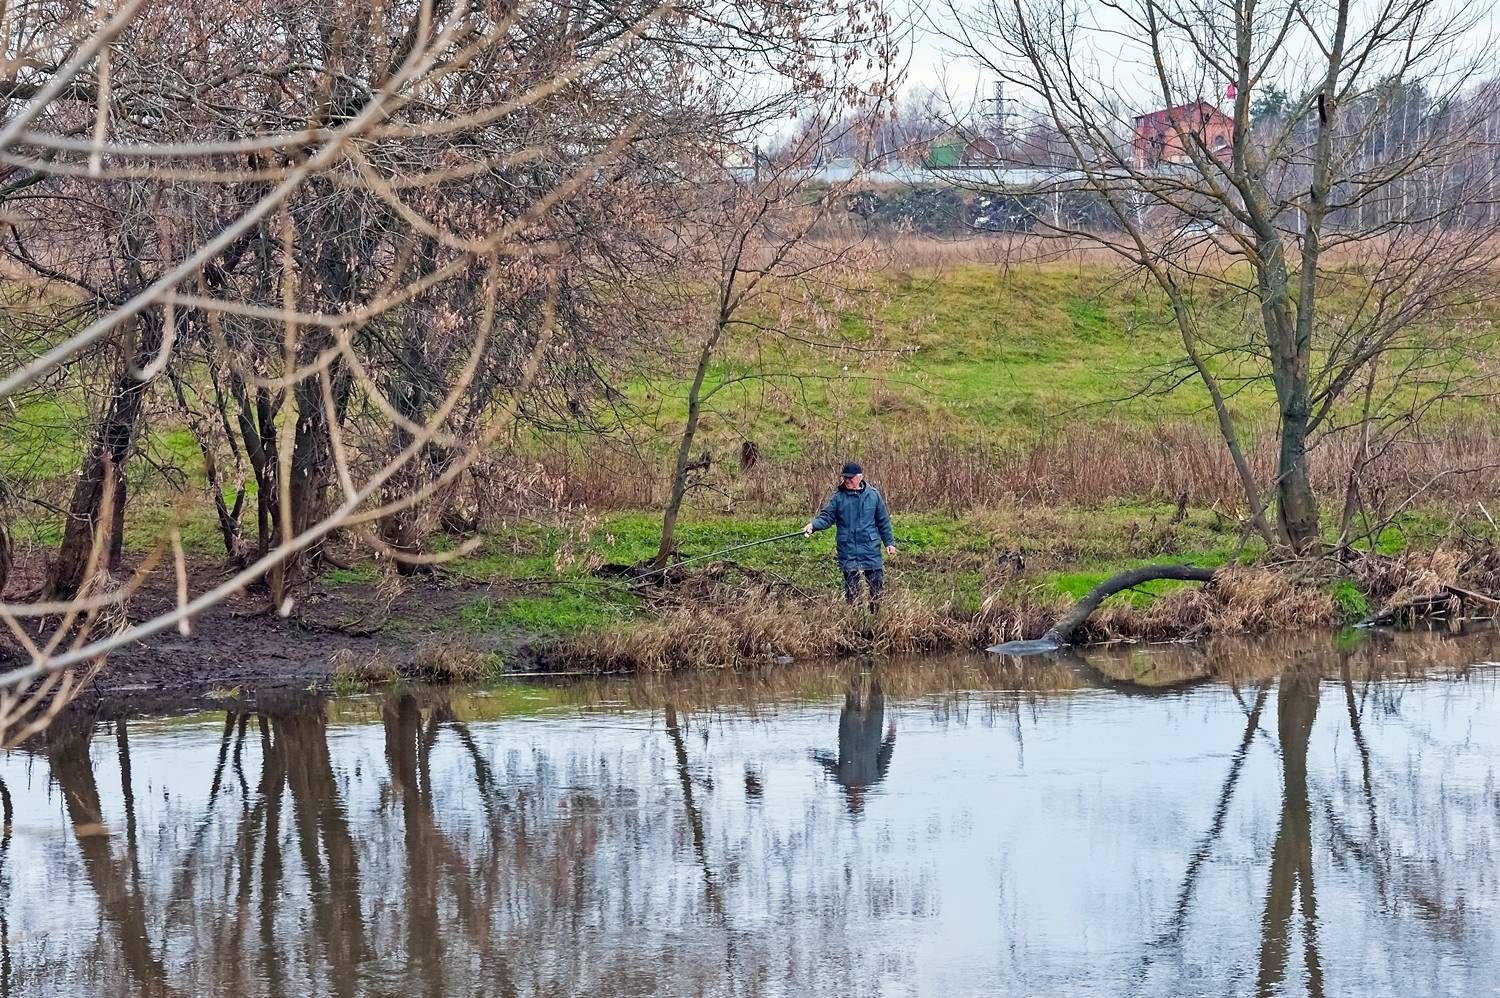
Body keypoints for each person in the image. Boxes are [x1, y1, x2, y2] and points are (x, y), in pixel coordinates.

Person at [802, 462, 896, 611]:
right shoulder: (838, 498)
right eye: (845, 478)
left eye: (850, 478)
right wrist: (813, 525)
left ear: (860, 477)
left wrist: (889, 543)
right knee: (852, 592)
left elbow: (883, 521)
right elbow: (827, 516)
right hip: (848, 550)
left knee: (876, 588)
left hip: (870, 549)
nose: (847, 481)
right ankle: (854, 619)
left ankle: (876, 617)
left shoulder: (874, 495)